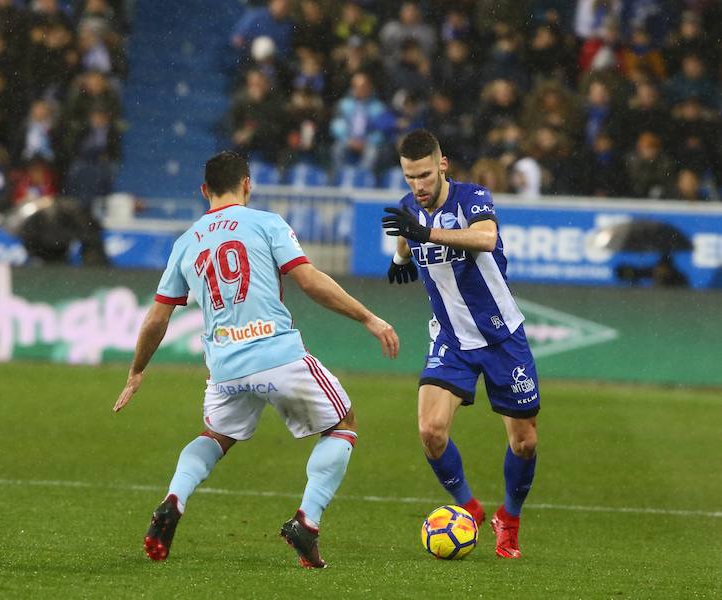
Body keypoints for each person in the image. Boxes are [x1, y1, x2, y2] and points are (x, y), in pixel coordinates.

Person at [113, 151, 399, 568]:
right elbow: (309, 281)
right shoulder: (267, 223)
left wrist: (137, 370)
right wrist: (368, 318)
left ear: (203, 191)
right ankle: (308, 521)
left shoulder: (186, 242)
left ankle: (174, 498)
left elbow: (159, 315)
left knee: (215, 436)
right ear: (248, 184)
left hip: (225, 366)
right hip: (277, 355)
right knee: (343, 424)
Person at [381, 129, 539, 559]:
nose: (419, 186)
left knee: (524, 442)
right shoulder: (409, 208)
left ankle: (510, 517)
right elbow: (404, 226)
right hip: (451, 338)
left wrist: (425, 235)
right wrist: (399, 258)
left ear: (443, 165)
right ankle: (469, 509)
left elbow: (485, 238)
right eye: (411, 177)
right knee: (430, 432)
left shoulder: (473, 198)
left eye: (426, 175)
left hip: (501, 336)